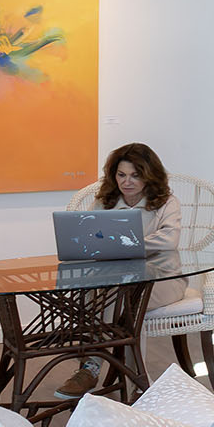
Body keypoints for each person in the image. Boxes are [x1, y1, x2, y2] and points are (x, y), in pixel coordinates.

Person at [57, 144, 183, 397]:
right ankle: (135, 380)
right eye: (121, 175)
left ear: (149, 175)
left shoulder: (166, 202)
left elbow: (169, 240)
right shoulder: (105, 201)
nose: (127, 182)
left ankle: (95, 370)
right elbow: (88, 237)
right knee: (94, 295)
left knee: (121, 302)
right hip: (117, 279)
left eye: (135, 175)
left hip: (163, 279)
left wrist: (123, 243)